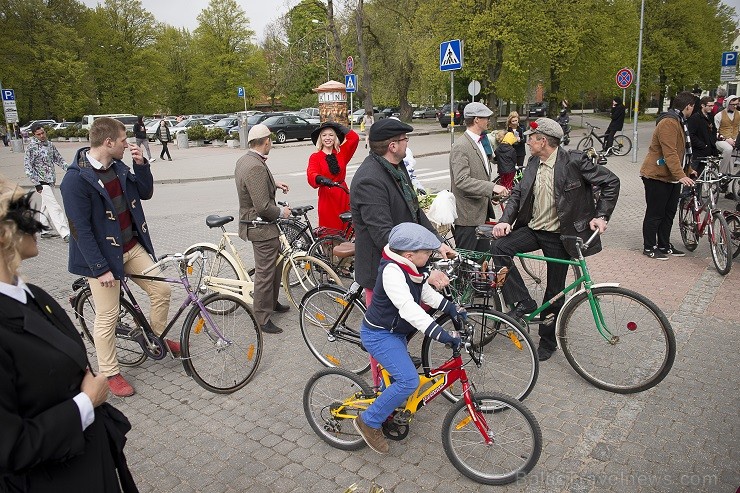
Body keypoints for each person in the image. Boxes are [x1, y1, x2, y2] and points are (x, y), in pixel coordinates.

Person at [0, 179, 138, 492]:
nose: (40, 222)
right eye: (24, 214)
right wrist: (86, 403)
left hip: (92, 463)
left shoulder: (32, 294)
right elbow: (11, 446)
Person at [60, 117, 173, 398]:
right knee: (107, 317)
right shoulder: (75, 179)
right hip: (102, 259)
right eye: (123, 140)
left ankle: (152, 337)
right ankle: (110, 372)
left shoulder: (118, 166)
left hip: (131, 247)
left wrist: (142, 165)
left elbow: (144, 193)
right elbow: (80, 231)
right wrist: (100, 269)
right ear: (108, 142)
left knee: (162, 289)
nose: (128, 144)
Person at [491, 117, 620, 361]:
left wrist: (601, 215)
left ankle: (548, 341)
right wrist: (505, 220)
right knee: (498, 246)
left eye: (531, 137)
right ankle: (523, 301)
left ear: (543, 141)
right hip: (533, 229)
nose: (527, 141)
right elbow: (518, 193)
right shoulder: (532, 161)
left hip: (560, 236)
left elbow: (611, 182)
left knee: (554, 290)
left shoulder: (574, 161)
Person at [353, 222, 463, 454]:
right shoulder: (393, 272)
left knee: (395, 378)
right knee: (409, 381)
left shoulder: (409, 267)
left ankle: (385, 407)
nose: (430, 257)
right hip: (380, 335)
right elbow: (408, 309)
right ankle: (368, 421)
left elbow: (423, 291)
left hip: (394, 332)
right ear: (410, 255)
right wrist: (441, 334)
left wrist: (449, 307)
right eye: (427, 253)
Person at [350, 118, 455, 303]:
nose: (407, 142)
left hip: (404, 260)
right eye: (405, 139)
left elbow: (414, 210)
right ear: (392, 146)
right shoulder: (369, 180)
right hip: (383, 271)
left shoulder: (396, 167)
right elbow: (384, 236)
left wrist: (437, 242)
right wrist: (421, 273)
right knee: (393, 330)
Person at [235, 123, 292, 335]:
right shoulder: (256, 166)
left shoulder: (246, 159)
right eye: (271, 141)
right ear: (266, 141)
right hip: (260, 227)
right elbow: (263, 207)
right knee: (265, 273)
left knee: (275, 265)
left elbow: (253, 185)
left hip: (260, 225)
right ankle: (261, 316)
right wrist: (282, 213)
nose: (271, 144)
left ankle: (272, 301)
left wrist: (273, 183)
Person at [640, 91, 696, 261]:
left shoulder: (679, 121)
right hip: (657, 176)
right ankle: (649, 247)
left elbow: (681, 151)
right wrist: (681, 175)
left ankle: (664, 244)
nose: (694, 110)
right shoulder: (668, 122)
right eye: (693, 107)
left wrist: (688, 170)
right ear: (688, 106)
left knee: (669, 213)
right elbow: (670, 152)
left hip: (671, 176)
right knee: (655, 213)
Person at [449, 102, 509, 251]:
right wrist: (492, 187)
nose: (488, 120)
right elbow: (461, 181)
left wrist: (492, 194)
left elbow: (481, 175)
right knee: (466, 265)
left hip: (480, 214)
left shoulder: (481, 142)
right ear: (476, 119)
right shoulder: (461, 146)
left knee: (481, 263)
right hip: (467, 218)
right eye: (486, 117)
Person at [23, 123, 71, 242]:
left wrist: (70, 169)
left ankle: (43, 230)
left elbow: (58, 159)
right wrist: (36, 183)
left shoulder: (50, 145)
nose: (42, 135)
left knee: (46, 206)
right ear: (34, 135)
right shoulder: (31, 148)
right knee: (55, 207)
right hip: (41, 182)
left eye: (43, 133)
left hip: (51, 180)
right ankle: (65, 233)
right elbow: (28, 167)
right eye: (38, 134)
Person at [306, 122, 359, 231]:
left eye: (331, 135)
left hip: (343, 195)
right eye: (324, 135)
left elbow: (354, 138)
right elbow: (311, 173)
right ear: (320, 138)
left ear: (335, 137)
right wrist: (320, 178)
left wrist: (338, 126)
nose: (328, 138)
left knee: (348, 230)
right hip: (327, 197)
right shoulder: (315, 157)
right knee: (330, 231)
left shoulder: (342, 153)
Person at [687, 96, 718, 176]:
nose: (712, 108)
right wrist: (702, 145)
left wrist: (712, 142)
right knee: (692, 175)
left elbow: (713, 131)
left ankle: (698, 189)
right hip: (697, 152)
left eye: (712, 105)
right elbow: (691, 135)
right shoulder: (695, 118)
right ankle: (687, 188)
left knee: (702, 176)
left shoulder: (711, 116)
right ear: (703, 105)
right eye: (709, 106)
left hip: (706, 151)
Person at [713, 94, 739, 178]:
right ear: (728, 103)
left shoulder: (739, 114)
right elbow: (715, 132)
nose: (735, 106)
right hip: (721, 140)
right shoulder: (719, 115)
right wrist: (726, 139)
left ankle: (728, 182)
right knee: (728, 149)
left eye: (736, 104)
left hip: (735, 140)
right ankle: (722, 173)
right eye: (733, 104)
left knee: (732, 161)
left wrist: (736, 140)